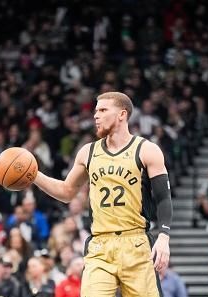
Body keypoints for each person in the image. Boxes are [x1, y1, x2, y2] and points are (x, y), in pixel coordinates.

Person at [33, 92, 172, 296]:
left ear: (122, 114)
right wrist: (34, 175)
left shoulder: (146, 150)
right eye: (96, 110)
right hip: (100, 245)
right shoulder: (87, 152)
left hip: (135, 242)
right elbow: (66, 192)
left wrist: (164, 237)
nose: (96, 116)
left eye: (103, 110)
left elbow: (163, 198)